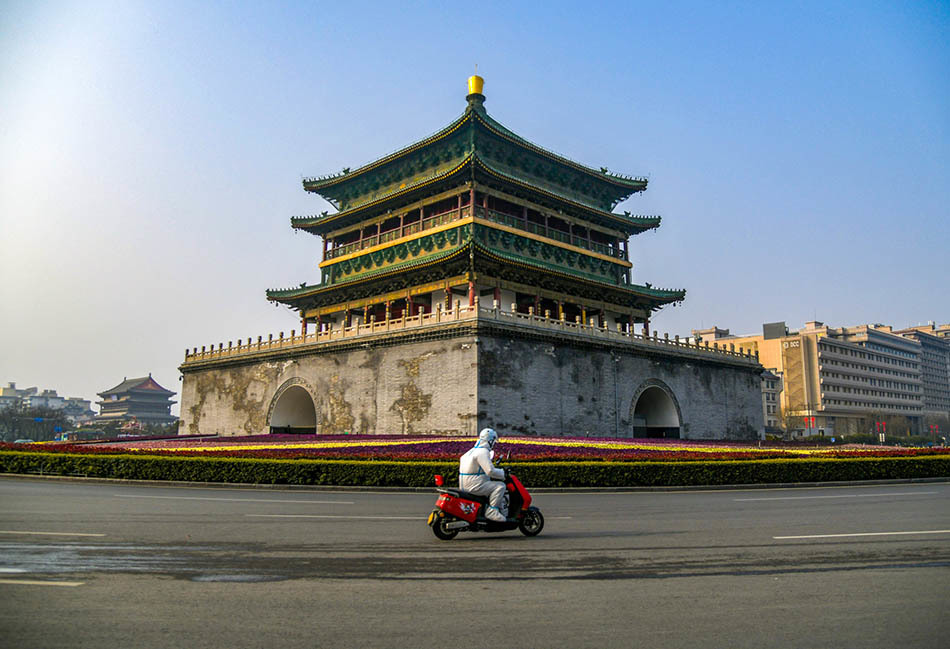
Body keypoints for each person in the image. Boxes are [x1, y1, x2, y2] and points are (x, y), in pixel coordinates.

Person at [459, 427, 508, 522]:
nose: (493, 443)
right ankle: (492, 511)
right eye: (493, 441)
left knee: (492, 486)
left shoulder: (470, 452)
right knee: (500, 486)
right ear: (490, 440)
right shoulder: (483, 452)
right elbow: (490, 471)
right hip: (474, 485)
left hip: (465, 485)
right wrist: (503, 473)